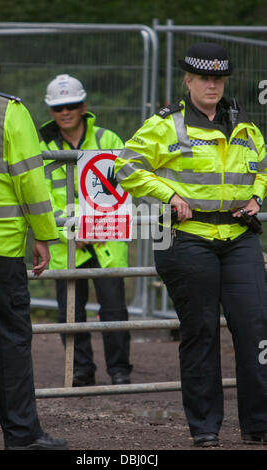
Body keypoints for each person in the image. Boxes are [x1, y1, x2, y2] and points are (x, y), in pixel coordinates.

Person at [114, 42, 267, 447]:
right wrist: (168, 196)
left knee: (256, 327)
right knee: (200, 331)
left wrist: (258, 197)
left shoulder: (245, 126)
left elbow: (263, 168)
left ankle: (258, 423)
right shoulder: (167, 125)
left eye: (219, 78)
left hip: (238, 237)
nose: (212, 85)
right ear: (189, 80)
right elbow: (125, 165)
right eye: (204, 78)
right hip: (187, 237)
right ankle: (204, 428)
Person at [0, 25, 67, 450]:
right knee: (9, 341)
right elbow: (31, 182)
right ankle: (22, 437)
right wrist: (44, 236)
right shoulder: (8, 112)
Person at [40, 74, 132, 386]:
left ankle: (120, 370)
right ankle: (80, 370)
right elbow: (38, 196)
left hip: (106, 240)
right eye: (58, 107)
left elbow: (122, 192)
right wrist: (70, 230)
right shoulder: (40, 147)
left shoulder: (109, 140)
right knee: (70, 312)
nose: (65, 112)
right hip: (65, 245)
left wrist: (90, 227)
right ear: (50, 110)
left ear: (84, 106)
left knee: (115, 310)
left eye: (71, 105)